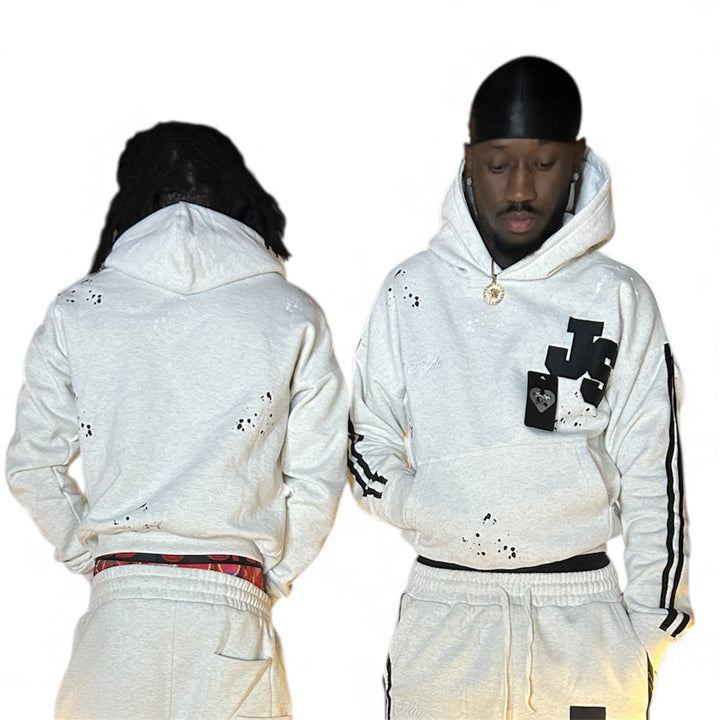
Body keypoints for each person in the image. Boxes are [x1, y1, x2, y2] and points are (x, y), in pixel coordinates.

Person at [348, 57, 692, 719]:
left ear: (577, 160)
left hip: (582, 623)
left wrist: (649, 630)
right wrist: (421, 503)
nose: (521, 189)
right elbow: (366, 434)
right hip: (446, 619)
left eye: (545, 163)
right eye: (499, 164)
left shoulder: (617, 297)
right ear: (469, 161)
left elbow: (655, 470)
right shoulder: (413, 291)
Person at [6, 121, 347, 720]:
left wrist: (95, 561)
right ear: (238, 195)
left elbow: (33, 465)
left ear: (132, 201)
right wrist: (270, 575)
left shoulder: (78, 310)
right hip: (232, 606)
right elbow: (319, 474)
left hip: (118, 616)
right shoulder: (290, 313)